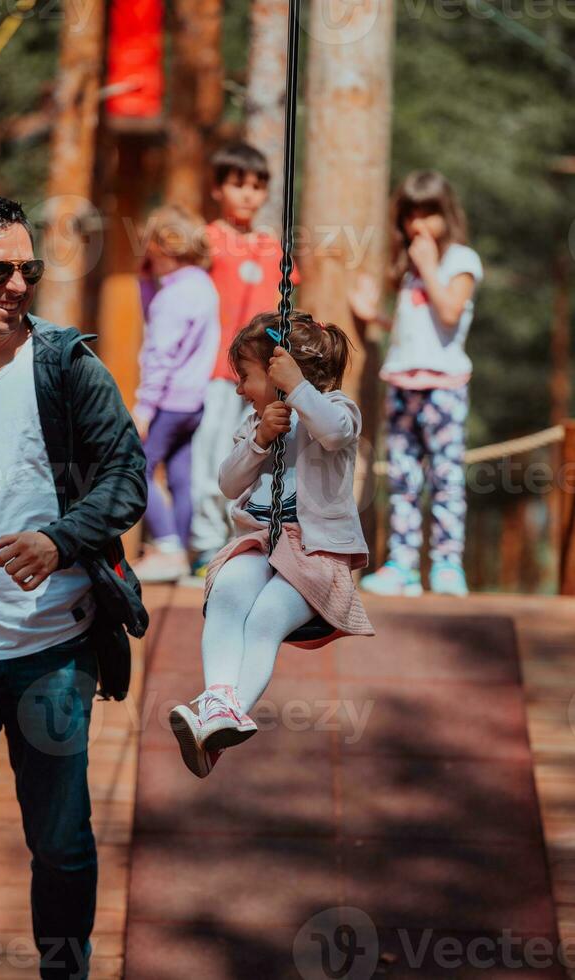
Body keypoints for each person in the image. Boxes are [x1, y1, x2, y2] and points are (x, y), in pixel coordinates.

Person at [0, 195, 146, 979]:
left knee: (60, 843)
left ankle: (64, 971)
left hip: (50, 652)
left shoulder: (65, 364)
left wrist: (60, 540)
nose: (17, 285)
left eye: (29, 268)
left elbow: (126, 476)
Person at [169, 311, 374, 778]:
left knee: (264, 617)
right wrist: (260, 439)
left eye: (245, 376)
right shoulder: (258, 421)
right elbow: (227, 482)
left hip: (316, 554)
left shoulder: (337, 408)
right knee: (226, 593)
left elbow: (336, 432)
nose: (239, 388)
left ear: (282, 371)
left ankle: (222, 711)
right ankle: (220, 704)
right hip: (262, 543)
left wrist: (299, 390)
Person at [349, 170, 483, 597]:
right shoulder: (408, 272)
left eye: (429, 213)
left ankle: (446, 564)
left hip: (444, 387)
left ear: (447, 215)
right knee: (404, 478)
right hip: (402, 383)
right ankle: (402, 565)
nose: (419, 224)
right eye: (411, 215)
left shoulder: (461, 261)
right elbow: (415, 330)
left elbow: (448, 314)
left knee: (445, 478)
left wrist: (427, 266)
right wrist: (375, 316)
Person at [189, 142, 300, 576]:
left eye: (257, 186)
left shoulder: (272, 248)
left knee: (254, 450)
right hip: (215, 370)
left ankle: (244, 539)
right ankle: (202, 542)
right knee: (211, 451)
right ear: (218, 189)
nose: (249, 195)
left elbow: (284, 305)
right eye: (238, 185)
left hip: (260, 375)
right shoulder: (205, 241)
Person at [131, 205, 220, 582]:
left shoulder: (172, 299)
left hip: (166, 401)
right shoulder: (202, 285)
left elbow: (159, 356)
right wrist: (146, 281)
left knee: (136, 467)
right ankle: (182, 553)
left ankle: (166, 545)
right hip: (195, 401)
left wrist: (144, 408)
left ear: (162, 247)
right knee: (182, 475)